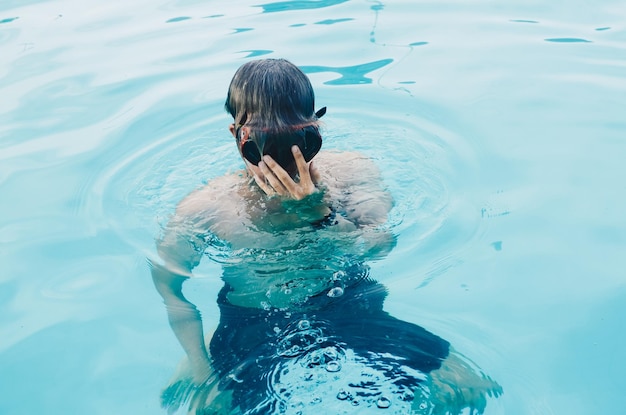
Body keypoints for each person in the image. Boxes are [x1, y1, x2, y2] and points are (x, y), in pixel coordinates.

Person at [151, 58, 501, 414]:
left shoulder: (351, 173)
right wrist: (198, 365)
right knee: (209, 409)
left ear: (317, 129)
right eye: (264, 144)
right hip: (253, 322)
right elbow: (169, 287)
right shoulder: (207, 208)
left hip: (349, 302)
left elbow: (380, 244)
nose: (285, 161)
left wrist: (321, 215)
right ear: (237, 137)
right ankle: (213, 342)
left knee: (467, 386)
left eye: (297, 140)